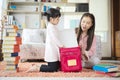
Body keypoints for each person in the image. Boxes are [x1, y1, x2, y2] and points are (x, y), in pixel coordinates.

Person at [26, 8, 64, 72]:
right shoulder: (51, 27)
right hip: (52, 52)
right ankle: (38, 68)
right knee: (53, 69)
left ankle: (38, 66)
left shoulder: (52, 26)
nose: (58, 20)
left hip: (54, 51)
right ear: (51, 19)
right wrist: (61, 45)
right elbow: (55, 38)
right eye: (57, 19)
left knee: (57, 67)